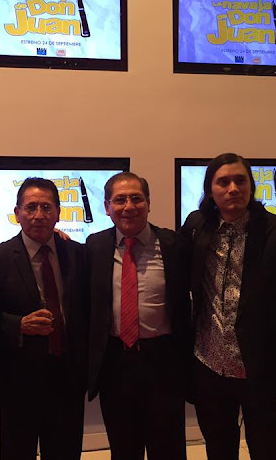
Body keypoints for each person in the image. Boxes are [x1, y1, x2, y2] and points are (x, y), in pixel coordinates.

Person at [180, 153, 276, 460]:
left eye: (240, 180)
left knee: (269, 452)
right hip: (209, 366)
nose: (233, 189)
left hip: (262, 371)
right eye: (223, 182)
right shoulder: (197, 226)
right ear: (210, 190)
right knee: (218, 451)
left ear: (251, 186)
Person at [87, 172, 191, 460]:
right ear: (107, 207)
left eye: (137, 198)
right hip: (115, 364)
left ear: (148, 203)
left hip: (163, 362)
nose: (129, 206)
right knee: (123, 449)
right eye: (120, 200)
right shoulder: (95, 246)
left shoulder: (174, 245)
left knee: (168, 450)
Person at [0, 177, 88, 460]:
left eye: (46, 207)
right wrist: (18, 325)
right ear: (17, 213)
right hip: (19, 380)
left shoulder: (79, 254)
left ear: (58, 213)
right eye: (30, 207)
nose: (38, 215)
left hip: (68, 378)